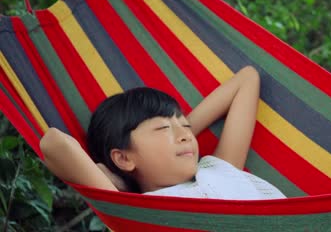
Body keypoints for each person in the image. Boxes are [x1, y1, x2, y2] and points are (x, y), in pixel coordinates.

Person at [40, 66, 285, 200]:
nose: (186, 134)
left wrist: (180, 133)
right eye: (162, 129)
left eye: (186, 125)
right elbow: (54, 142)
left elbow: (247, 79)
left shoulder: (219, 167)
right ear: (124, 158)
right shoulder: (142, 214)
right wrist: (117, 183)